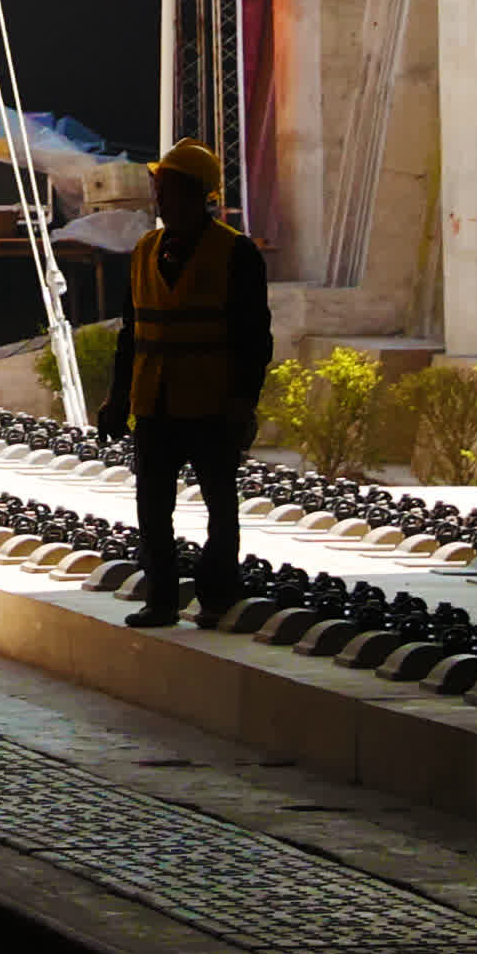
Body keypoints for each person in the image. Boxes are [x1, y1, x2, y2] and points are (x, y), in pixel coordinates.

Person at [116, 139, 274, 629]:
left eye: (168, 190)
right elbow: (131, 332)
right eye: (158, 190)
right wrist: (115, 399)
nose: (159, 200)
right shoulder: (145, 251)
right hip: (155, 404)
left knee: (221, 506)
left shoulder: (236, 254)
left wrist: (243, 404)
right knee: (153, 508)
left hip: (212, 406)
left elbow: (255, 339)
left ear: (196, 194)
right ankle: (162, 597)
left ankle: (217, 592)